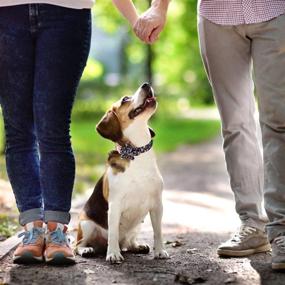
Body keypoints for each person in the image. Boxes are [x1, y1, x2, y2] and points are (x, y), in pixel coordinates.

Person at [125, 0, 285, 270]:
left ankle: (281, 229)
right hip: (216, 15)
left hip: (276, 10)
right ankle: (252, 224)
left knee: (279, 120)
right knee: (235, 123)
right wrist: (160, 7)